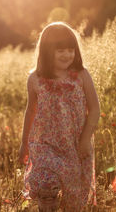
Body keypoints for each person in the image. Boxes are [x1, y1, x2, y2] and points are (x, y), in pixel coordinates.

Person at [18, 22, 100, 212]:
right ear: (47, 51)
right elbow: (30, 110)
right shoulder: (35, 79)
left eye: (71, 49)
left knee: (74, 199)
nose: (67, 55)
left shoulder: (81, 75)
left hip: (75, 145)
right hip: (45, 144)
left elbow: (95, 109)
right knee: (46, 187)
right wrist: (24, 143)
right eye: (60, 50)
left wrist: (85, 140)